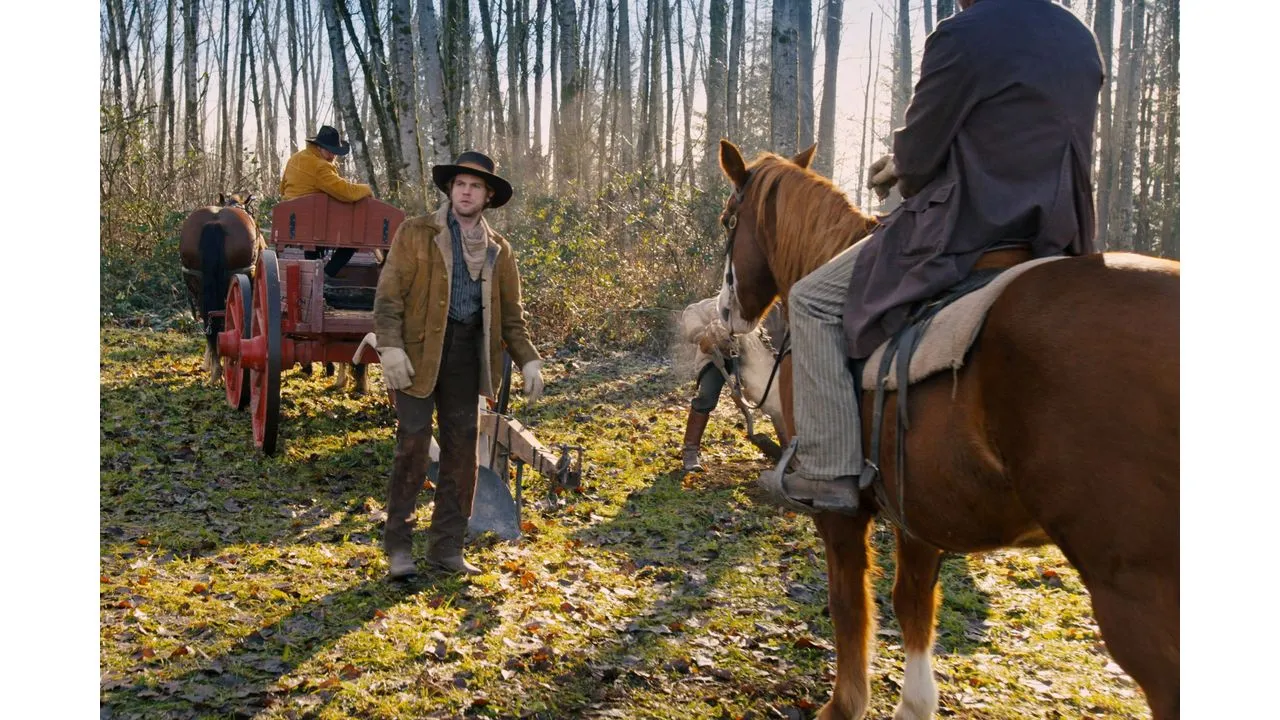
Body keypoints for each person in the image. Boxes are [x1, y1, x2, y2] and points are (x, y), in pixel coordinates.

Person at [759, 0, 1104, 514]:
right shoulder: (1079, 36)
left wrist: (897, 164)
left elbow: (919, 162)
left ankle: (828, 470)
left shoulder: (961, 34)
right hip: (1062, 230)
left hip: (970, 225)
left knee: (811, 300)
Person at [371, 150, 544, 578]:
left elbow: (511, 315)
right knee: (412, 444)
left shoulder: (499, 250)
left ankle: (447, 549)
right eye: (461, 185)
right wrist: (390, 348)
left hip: (469, 357)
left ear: (488, 197)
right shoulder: (416, 232)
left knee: (462, 452)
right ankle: (399, 549)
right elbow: (389, 297)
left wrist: (529, 361)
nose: (467, 193)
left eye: (476, 187)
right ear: (451, 189)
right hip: (417, 354)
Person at [678, 298, 787, 471]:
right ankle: (690, 452)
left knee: (771, 398)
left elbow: (771, 342)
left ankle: (788, 450)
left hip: (745, 357)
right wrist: (700, 335)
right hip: (714, 357)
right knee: (707, 397)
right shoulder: (717, 305)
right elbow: (691, 311)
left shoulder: (757, 311)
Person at [279, 125, 374, 279]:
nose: (332, 156)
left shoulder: (295, 158)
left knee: (315, 226)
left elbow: (282, 188)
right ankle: (326, 275)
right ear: (319, 147)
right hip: (314, 221)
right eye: (330, 151)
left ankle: (313, 268)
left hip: (294, 219)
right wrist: (366, 189)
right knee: (355, 239)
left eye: (335, 153)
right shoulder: (320, 166)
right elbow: (346, 192)